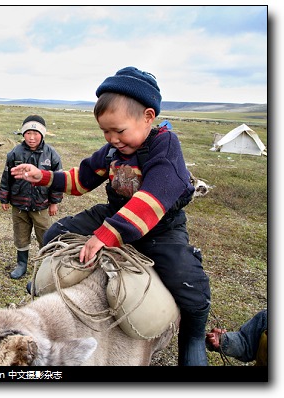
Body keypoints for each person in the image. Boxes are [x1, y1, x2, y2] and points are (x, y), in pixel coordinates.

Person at [11, 66, 211, 366]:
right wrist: (43, 176)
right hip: (115, 213)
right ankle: (41, 285)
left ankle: (192, 341)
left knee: (190, 285)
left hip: (159, 227)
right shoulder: (112, 151)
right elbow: (82, 180)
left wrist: (105, 235)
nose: (112, 138)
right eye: (106, 131)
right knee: (56, 232)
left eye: (119, 130)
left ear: (147, 117)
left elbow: (152, 199)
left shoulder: (165, 146)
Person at [0, 115, 63, 279]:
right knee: (20, 234)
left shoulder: (52, 155)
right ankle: (21, 264)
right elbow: (7, 177)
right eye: (28, 133)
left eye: (36, 133)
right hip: (19, 204)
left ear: (42, 134)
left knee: (45, 235)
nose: (32, 137)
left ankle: (46, 267)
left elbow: (57, 180)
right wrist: (4, 198)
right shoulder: (14, 153)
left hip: (41, 205)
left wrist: (54, 202)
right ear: (23, 134)